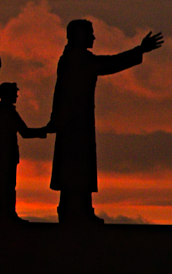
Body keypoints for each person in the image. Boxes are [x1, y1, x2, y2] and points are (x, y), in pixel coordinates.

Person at [47, 20, 163, 224]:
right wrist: (140, 50)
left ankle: (77, 209)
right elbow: (109, 64)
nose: (93, 38)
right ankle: (76, 210)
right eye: (90, 33)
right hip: (76, 123)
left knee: (78, 166)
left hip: (74, 121)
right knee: (78, 166)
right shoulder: (77, 60)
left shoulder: (72, 59)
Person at [0, 82, 47, 222]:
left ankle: (1, 214)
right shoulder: (8, 113)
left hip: (1, 154)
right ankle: (6, 215)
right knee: (6, 184)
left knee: (2, 183)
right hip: (6, 154)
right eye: (14, 93)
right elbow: (25, 132)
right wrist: (44, 131)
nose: (16, 95)